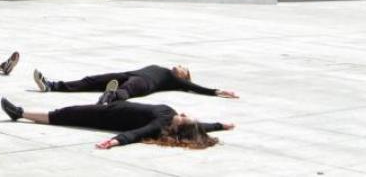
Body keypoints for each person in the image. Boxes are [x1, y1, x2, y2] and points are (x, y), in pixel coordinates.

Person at [0, 97, 234, 150]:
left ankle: (19, 113)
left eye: (186, 117)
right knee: (66, 112)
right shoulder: (172, 116)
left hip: (104, 117)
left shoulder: (161, 123)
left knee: (63, 114)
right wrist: (219, 125)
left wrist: (114, 141)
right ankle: (20, 112)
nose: (185, 113)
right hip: (113, 107)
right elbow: (200, 126)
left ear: (179, 126)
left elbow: (137, 133)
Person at [32, 65, 238, 103]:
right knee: (92, 80)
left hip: (144, 82)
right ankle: (52, 85)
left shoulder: (173, 79)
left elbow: (194, 88)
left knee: (126, 90)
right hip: (128, 74)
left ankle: (109, 98)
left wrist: (216, 91)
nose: (180, 66)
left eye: (184, 69)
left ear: (183, 77)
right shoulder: (164, 68)